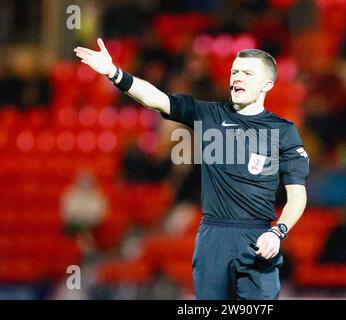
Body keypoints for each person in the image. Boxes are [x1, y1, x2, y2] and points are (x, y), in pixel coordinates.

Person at [74, 38, 309, 300]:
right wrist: (114, 73)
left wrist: (279, 231)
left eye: (247, 73)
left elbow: (297, 194)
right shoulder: (209, 115)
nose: (238, 79)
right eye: (235, 72)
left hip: (256, 236)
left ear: (267, 84)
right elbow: (157, 99)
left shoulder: (283, 131)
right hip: (212, 237)